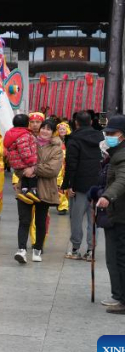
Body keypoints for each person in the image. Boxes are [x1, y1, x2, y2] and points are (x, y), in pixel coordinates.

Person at [14, 120, 62, 264]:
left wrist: (33, 169)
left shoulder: (56, 149)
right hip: (26, 187)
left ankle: (37, 249)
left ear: (53, 132)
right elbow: (17, 162)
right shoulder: (28, 142)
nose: (45, 131)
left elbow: (53, 169)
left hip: (44, 190)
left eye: (49, 129)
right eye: (43, 128)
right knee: (24, 220)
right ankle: (21, 250)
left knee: (40, 222)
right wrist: (23, 171)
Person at [62, 111, 103, 260]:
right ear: (91, 122)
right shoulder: (101, 137)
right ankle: (91, 251)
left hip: (79, 185)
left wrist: (68, 184)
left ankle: (75, 249)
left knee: (76, 218)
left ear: (76, 123)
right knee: (93, 219)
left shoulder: (73, 139)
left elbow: (71, 164)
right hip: (97, 186)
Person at [95, 114, 125, 314]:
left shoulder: (122, 155)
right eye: (107, 133)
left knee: (119, 257)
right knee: (113, 257)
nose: (108, 136)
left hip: (121, 214)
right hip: (116, 212)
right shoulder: (114, 153)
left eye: (112, 133)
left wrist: (107, 196)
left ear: (122, 135)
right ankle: (118, 295)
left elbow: (122, 180)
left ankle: (122, 299)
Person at [3, 113, 39, 204]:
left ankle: (24, 191)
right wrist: (31, 163)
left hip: (16, 164)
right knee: (32, 175)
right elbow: (25, 151)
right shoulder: (23, 134)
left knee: (24, 178)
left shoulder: (11, 134)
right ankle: (32, 192)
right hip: (24, 162)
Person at [55, 122, 71, 215]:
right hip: (59, 167)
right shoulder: (55, 140)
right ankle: (62, 206)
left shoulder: (70, 140)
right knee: (60, 186)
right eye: (60, 129)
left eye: (63, 129)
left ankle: (65, 204)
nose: (62, 130)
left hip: (68, 166)